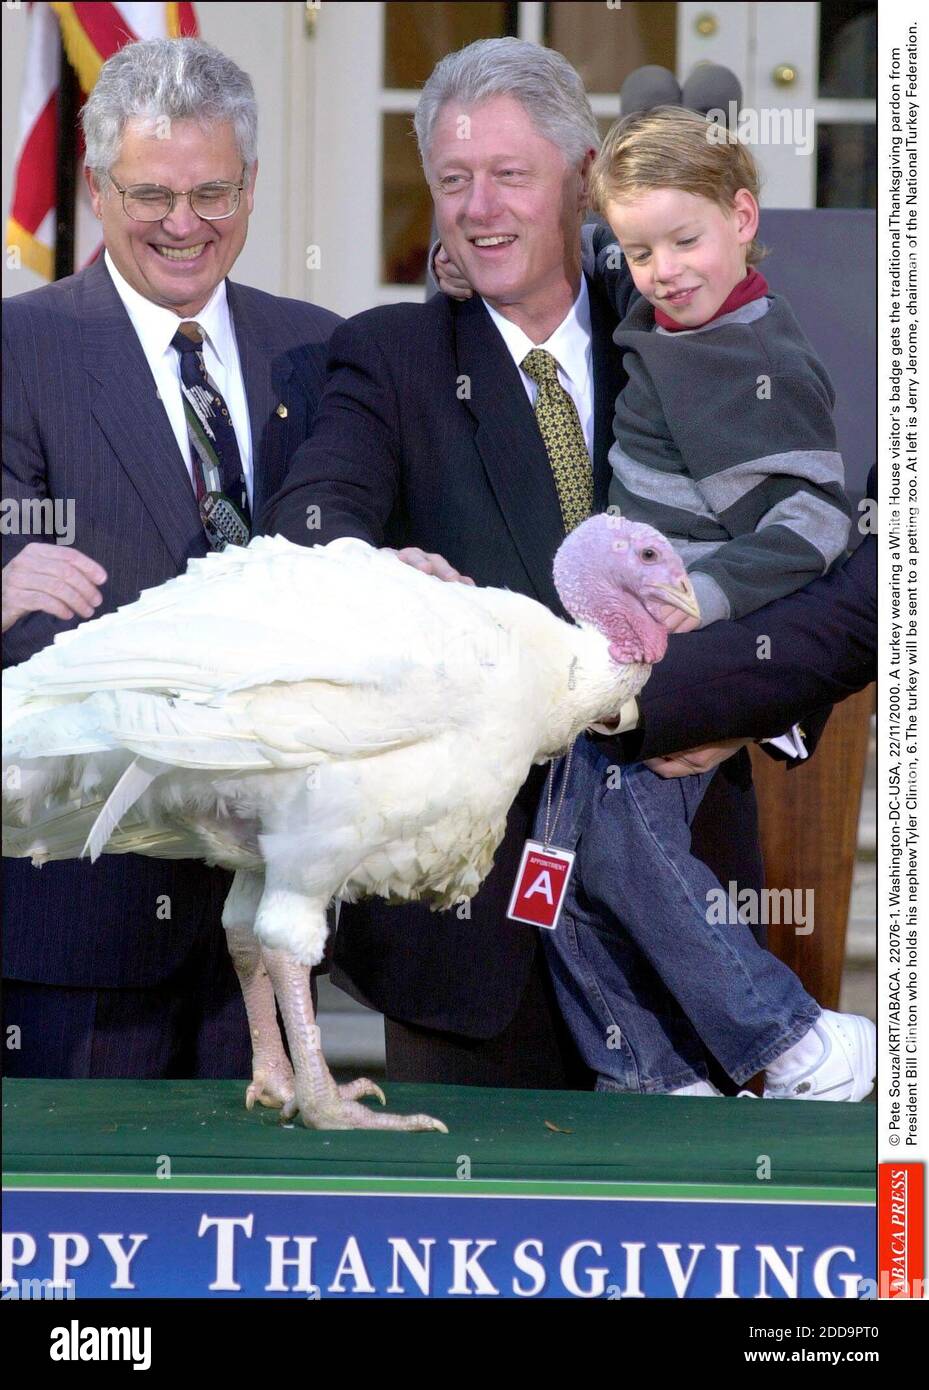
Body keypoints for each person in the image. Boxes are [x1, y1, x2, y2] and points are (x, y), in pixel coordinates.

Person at [260, 39, 768, 1091]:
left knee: (688, 1239)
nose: (477, 207)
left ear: (581, 175)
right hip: (473, 934)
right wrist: (366, 569)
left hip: (687, 918)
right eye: (452, 179)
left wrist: (750, 701)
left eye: (507, 175)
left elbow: (803, 554)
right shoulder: (389, 358)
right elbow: (310, 516)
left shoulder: (689, 338)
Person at [1, 37, 340, 1080]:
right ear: (97, 188)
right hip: (80, 921)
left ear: (250, 186)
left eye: (213, 192)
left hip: (272, 921)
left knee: (263, 1232)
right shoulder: (22, 349)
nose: (184, 225)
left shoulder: (320, 350)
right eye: (152, 195)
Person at [518, 108, 873, 1100]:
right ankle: (653, 1071)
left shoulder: (752, 360)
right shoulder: (671, 312)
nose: (662, 268)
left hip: (683, 653)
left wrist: (698, 602)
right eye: (639, 250)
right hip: (615, 650)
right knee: (556, 864)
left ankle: (786, 1039)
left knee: (625, 842)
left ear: (742, 217)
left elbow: (807, 525)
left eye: (684, 240)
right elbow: (582, 241)